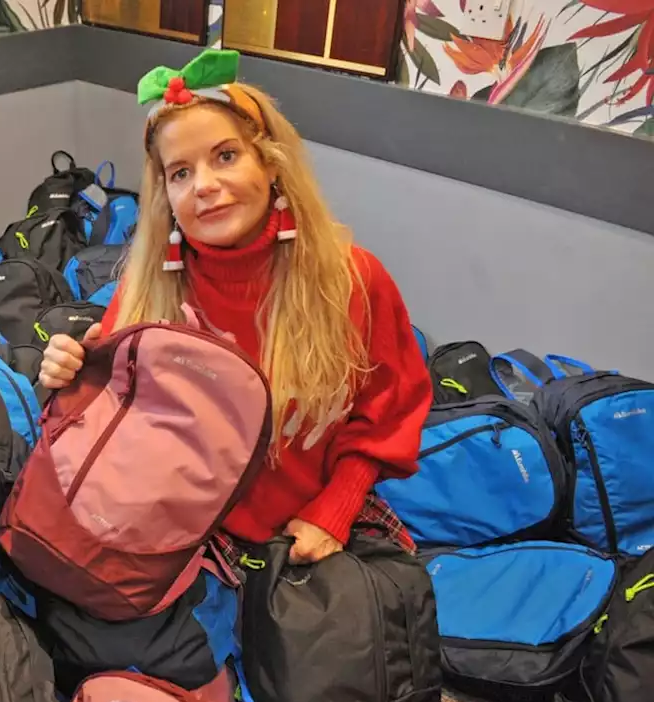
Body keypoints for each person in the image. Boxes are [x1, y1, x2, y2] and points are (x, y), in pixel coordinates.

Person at [38, 49, 431, 564]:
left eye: (225, 156)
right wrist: (74, 374)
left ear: (270, 162)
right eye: (179, 173)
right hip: (179, 522)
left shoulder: (353, 279)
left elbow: (387, 416)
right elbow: (119, 416)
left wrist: (334, 510)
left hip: (301, 525)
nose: (203, 186)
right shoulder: (150, 283)